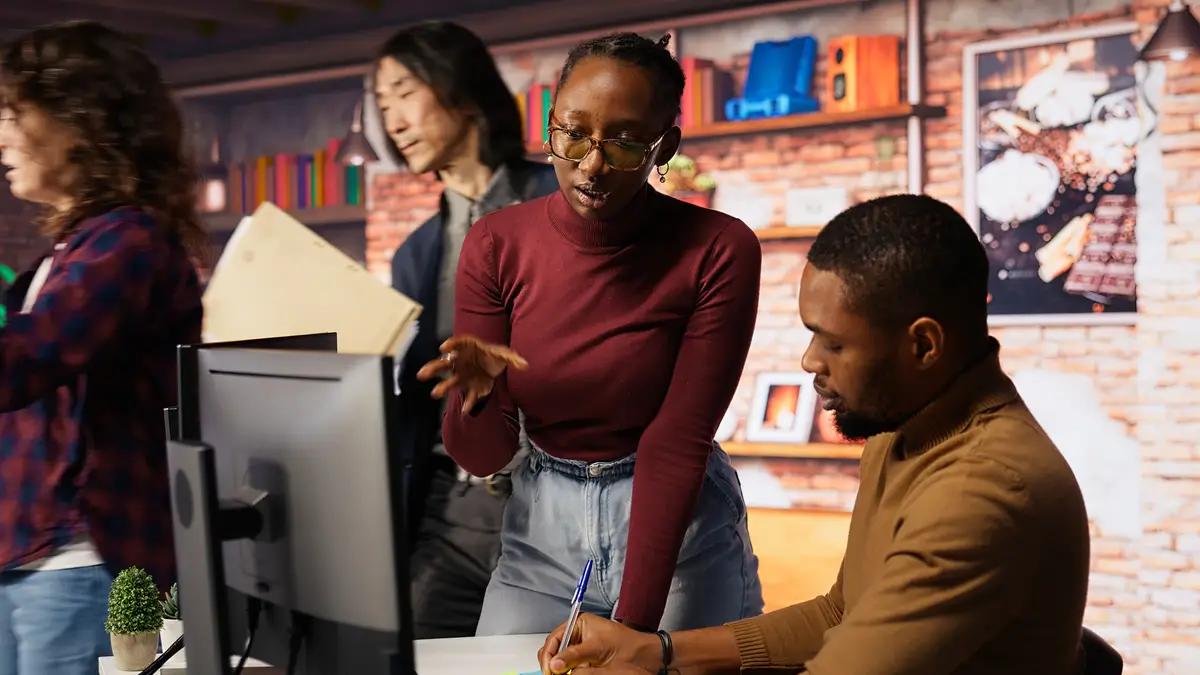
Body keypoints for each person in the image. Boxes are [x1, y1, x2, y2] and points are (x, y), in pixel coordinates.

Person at [534, 193, 1091, 675]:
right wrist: (657, 653)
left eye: (834, 344)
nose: (808, 361)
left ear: (923, 346)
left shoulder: (984, 492)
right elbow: (841, 613)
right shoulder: (901, 431)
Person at [417, 31, 764, 635]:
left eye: (626, 144)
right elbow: (485, 454)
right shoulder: (496, 244)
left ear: (665, 148)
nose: (591, 165)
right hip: (541, 533)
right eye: (571, 133)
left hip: (677, 539)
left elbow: (677, 441)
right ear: (550, 124)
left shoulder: (718, 249)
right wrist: (478, 397)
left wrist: (632, 634)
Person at [0, 21, 205, 675]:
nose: (2, 136)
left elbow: (27, 359)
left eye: (14, 113)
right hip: (30, 553)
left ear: (80, 123)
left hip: (81, 561)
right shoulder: (64, 254)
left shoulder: (129, 241)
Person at [377, 21, 559, 638]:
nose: (392, 118)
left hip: (559, 504)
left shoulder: (561, 202)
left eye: (403, 91)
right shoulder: (416, 252)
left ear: (462, 88)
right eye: (382, 104)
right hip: (450, 509)